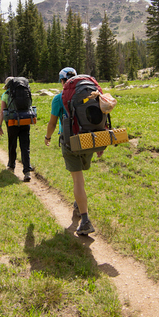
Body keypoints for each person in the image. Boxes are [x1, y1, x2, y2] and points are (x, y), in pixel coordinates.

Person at [44, 67, 96, 236]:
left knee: (77, 180)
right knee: (80, 178)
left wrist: (47, 137)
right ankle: (78, 204)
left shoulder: (59, 98)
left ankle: (85, 220)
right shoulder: (88, 94)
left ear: (62, 81)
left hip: (70, 141)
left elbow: (52, 123)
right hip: (89, 139)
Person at [0, 77, 33, 182]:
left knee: (12, 144)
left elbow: (2, 112)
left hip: (12, 122)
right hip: (25, 120)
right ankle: (27, 171)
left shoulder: (6, 95)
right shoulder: (25, 92)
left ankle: (11, 166)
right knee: (25, 146)